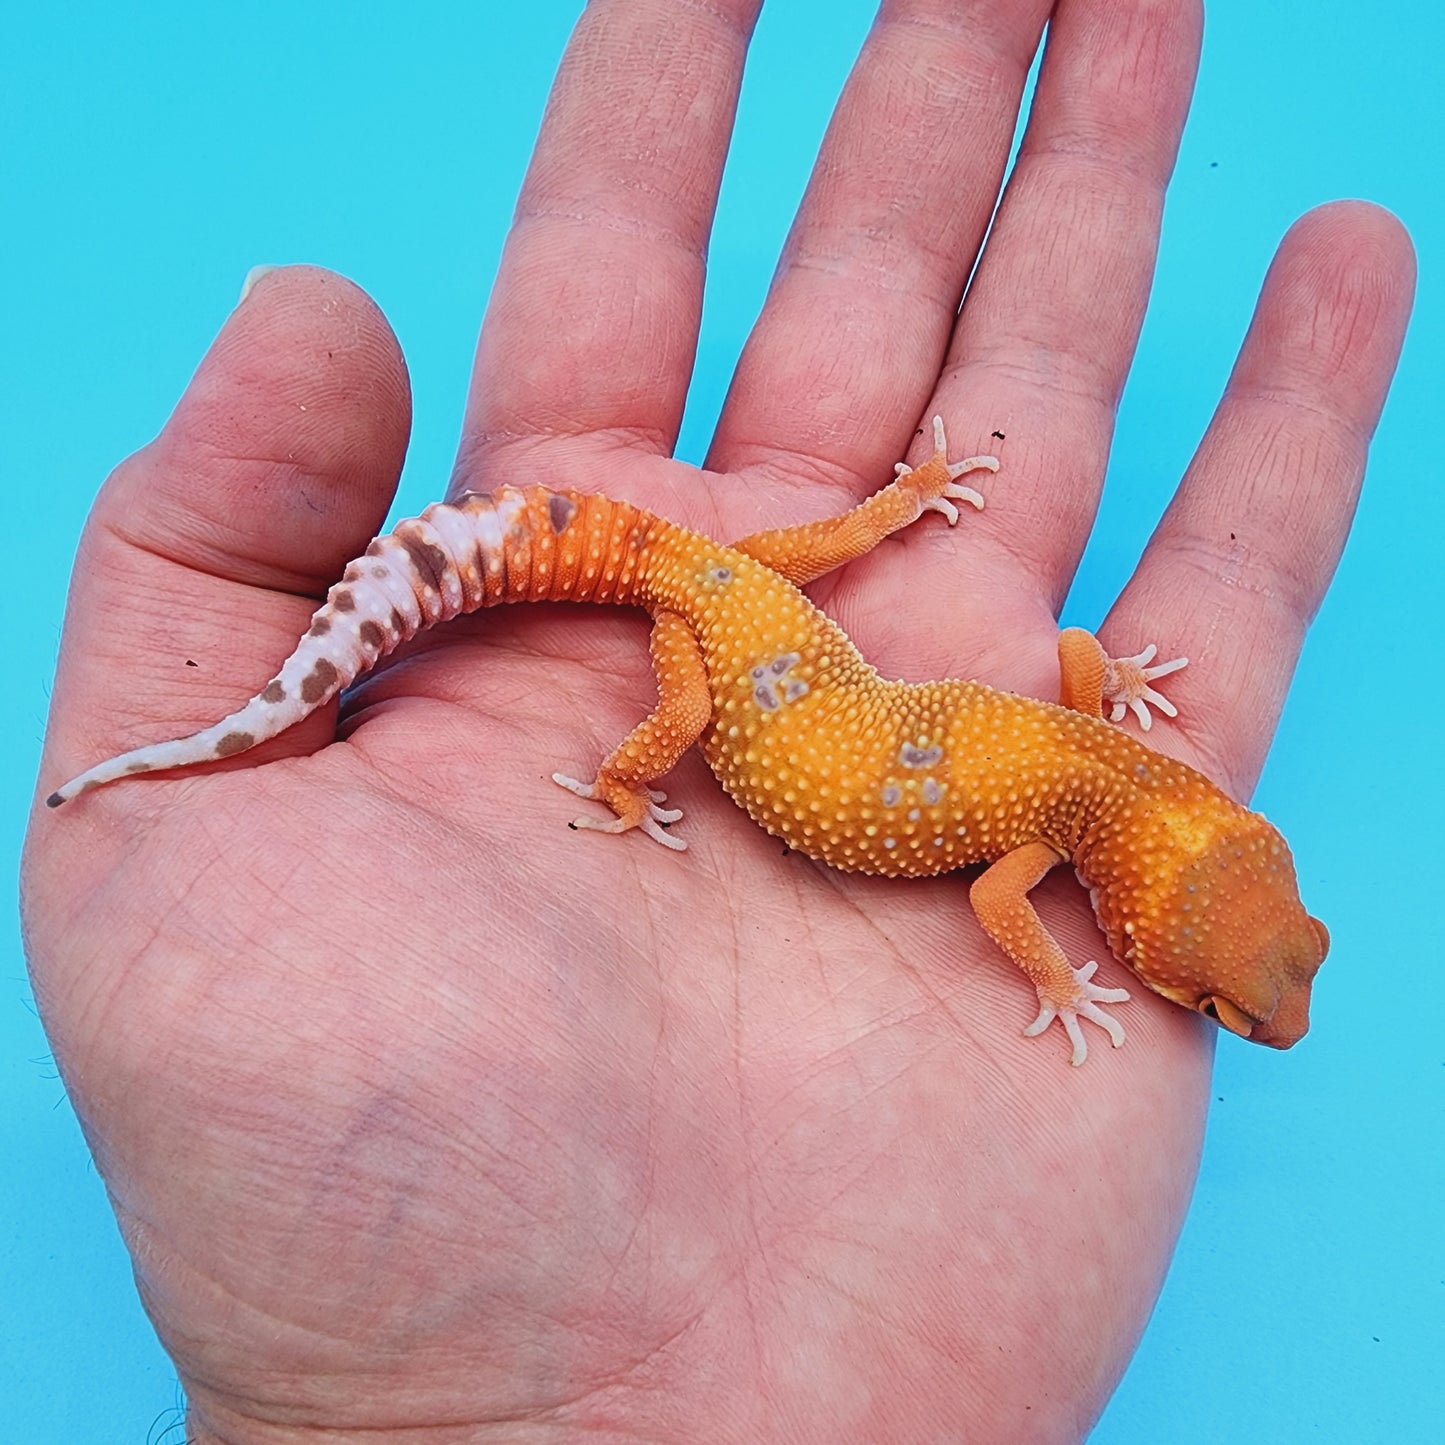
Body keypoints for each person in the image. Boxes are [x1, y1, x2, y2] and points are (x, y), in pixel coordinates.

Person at [22, 0, 1412, 1439]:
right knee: (682, 695)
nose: (1248, 1012)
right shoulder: (1045, 851)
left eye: (1248, 987)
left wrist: (919, 540)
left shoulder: (1085, 763)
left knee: (733, 587)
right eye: (1230, 996)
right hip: (721, 647)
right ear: (1136, 922)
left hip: (759, 614)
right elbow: (1007, 900)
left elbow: (1072, 655)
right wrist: (1050, 983)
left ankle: (761, 590)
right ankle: (627, 787)